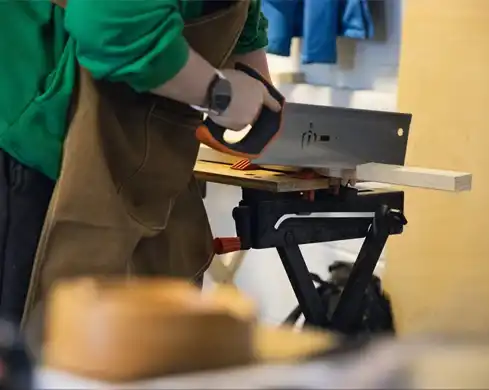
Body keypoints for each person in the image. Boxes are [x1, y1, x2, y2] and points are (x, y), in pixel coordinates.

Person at [0, 0, 281, 326]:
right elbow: (112, 28)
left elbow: (241, 32)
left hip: (143, 160)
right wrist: (221, 95)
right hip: (34, 144)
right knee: (43, 348)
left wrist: (264, 103)